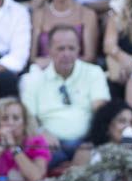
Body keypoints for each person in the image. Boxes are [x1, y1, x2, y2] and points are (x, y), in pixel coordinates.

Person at [20, 24, 109, 167]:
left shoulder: (94, 72)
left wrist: (92, 139)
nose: (66, 54)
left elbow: (101, 111)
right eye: (61, 48)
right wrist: (41, 132)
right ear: (49, 51)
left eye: (71, 48)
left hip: (84, 142)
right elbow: (27, 117)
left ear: (79, 49)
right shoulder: (34, 79)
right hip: (48, 144)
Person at [29, 0, 98, 69]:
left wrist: (59, 64)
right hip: (44, 71)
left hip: (78, 70)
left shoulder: (87, 14)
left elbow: (90, 57)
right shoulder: (39, 14)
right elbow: (33, 56)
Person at [72, 99, 132, 166]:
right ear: (107, 124)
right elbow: (76, 175)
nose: (128, 127)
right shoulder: (87, 151)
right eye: (122, 121)